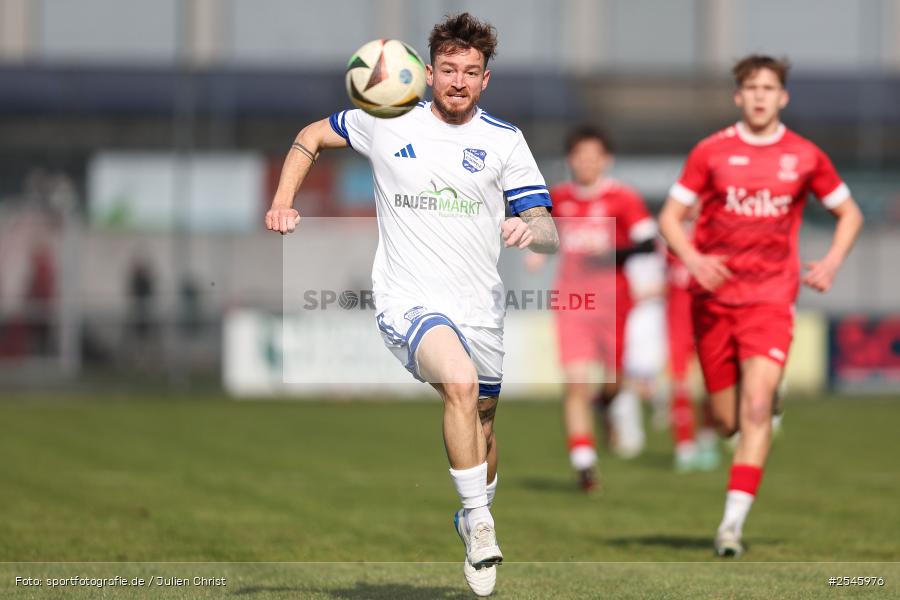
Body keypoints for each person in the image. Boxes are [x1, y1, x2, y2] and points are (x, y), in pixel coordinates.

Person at [266, 13, 559, 596]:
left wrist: (533, 232)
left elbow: (547, 224)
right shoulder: (386, 118)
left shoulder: (505, 140)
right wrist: (282, 200)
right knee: (459, 383)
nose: (458, 81)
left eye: (470, 72)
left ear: (485, 80)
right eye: (448, 69)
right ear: (427, 73)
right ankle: (479, 522)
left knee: (483, 422)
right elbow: (311, 136)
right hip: (408, 299)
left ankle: (472, 508)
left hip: (480, 305)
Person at [658, 55, 864, 557]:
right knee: (727, 421)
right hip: (713, 301)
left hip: (771, 300)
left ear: (782, 96)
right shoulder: (711, 151)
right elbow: (670, 217)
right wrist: (693, 258)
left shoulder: (806, 155)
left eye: (769, 88)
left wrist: (832, 262)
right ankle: (765, 397)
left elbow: (849, 213)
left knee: (753, 410)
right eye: (751, 87)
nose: (759, 96)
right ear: (738, 96)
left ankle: (730, 527)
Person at [527, 127, 656, 492]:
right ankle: (584, 462)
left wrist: (610, 255)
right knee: (576, 383)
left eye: (593, 156)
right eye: (580, 156)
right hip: (573, 301)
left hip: (615, 302)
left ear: (606, 160)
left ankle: (606, 405)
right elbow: (543, 236)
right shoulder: (559, 198)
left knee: (615, 383)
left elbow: (648, 244)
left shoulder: (623, 199)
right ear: (571, 160)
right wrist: (537, 251)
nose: (586, 162)